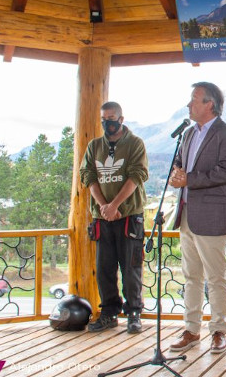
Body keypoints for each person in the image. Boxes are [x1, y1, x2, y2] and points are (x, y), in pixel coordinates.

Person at [167, 82, 226, 355]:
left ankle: (219, 331)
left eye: (194, 100)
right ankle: (191, 329)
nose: (189, 105)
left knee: (216, 278)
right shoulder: (186, 134)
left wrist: (189, 179)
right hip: (186, 214)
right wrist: (177, 173)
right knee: (191, 277)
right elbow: (180, 163)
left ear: (209, 104)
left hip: (212, 215)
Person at [80, 101, 148, 334]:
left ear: (120, 119)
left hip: (129, 215)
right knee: (104, 268)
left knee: (131, 268)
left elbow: (137, 175)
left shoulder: (135, 144)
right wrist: (104, 206)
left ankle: (134, 313)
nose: (106, 122)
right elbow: (88, 175)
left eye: (110, 118)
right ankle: (109, 312)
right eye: (103, 118)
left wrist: (115, 205)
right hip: (103, 218)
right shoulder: (94, 146)